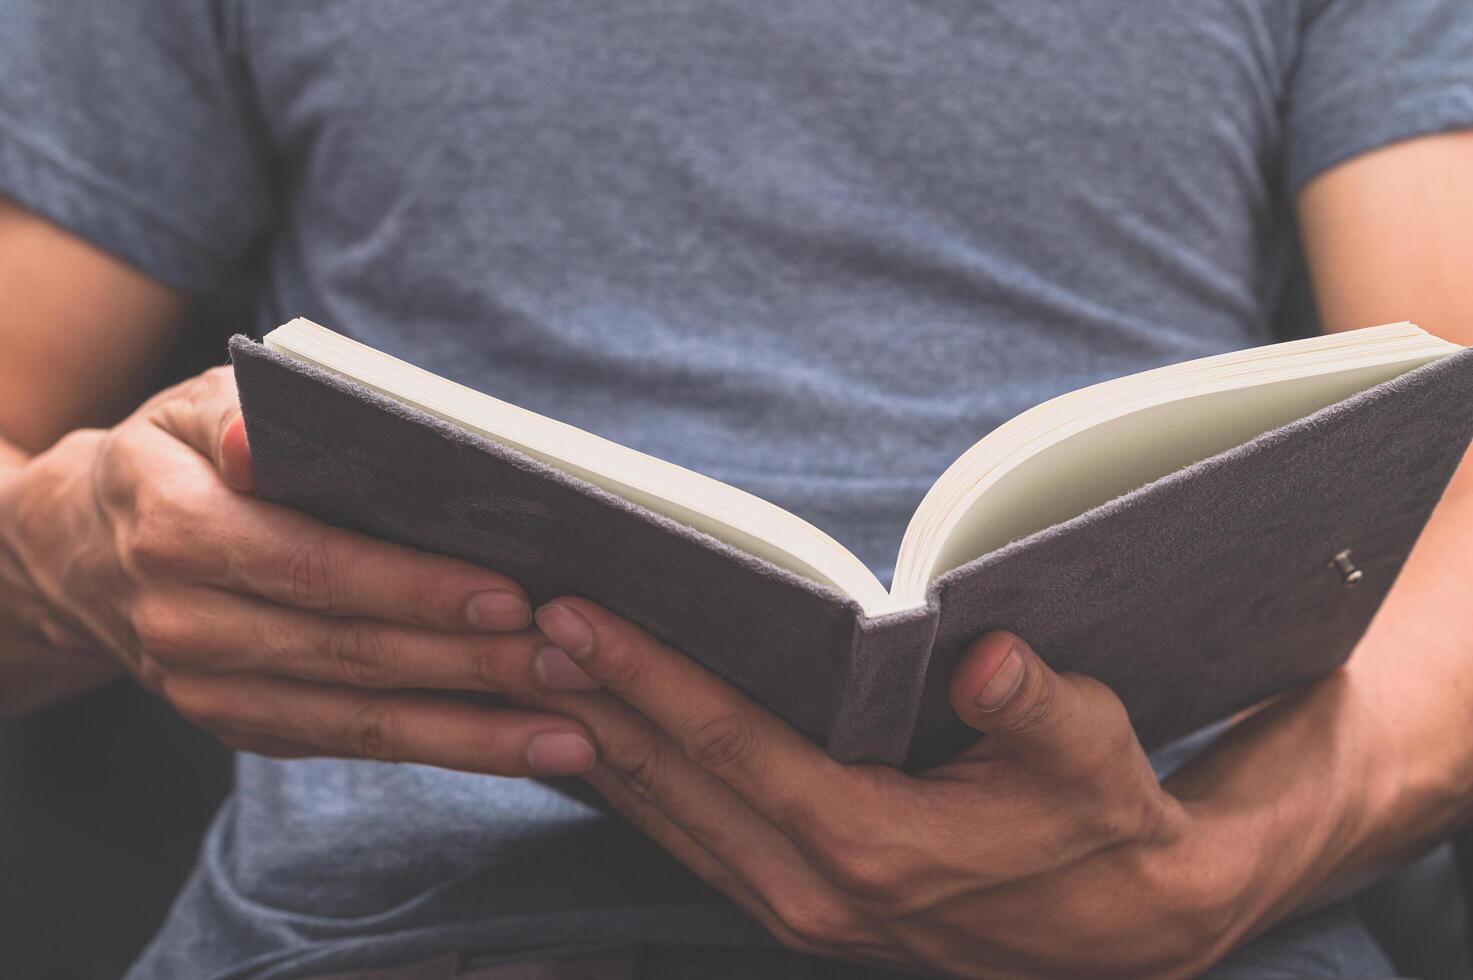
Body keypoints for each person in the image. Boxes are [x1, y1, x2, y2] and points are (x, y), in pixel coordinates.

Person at [1, 2, 1471, 977]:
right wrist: (69, 552)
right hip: (386, 933)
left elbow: (1452, 445)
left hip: (1146, 914)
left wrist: (1227, 862)